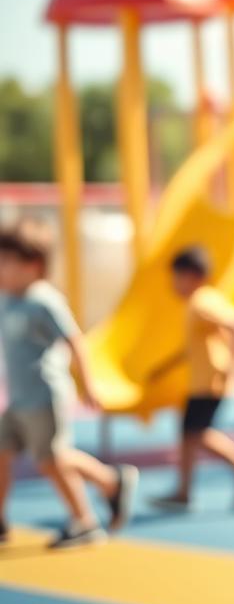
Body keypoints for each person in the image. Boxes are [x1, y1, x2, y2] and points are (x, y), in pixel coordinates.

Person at [0, 220, 138, 548]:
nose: (1, 270)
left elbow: (75, 340)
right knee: (2, 454)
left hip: (44, 395)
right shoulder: (9, 298)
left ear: (32, 266)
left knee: (52, 460)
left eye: (6, 263)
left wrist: (87, 384)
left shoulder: (43, 300)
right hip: (18, 399)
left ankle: (88, 517)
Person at [149, 247, 234, 510]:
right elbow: (193, 347)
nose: (174, 284)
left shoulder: (201, 300)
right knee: (188, 434)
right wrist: (164, 367)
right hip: (203, 381)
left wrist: (231, 365)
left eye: (176, 277)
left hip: (211, 381)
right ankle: (183, 491)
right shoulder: (200, 302)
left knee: (197, 433)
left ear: (192, 276)